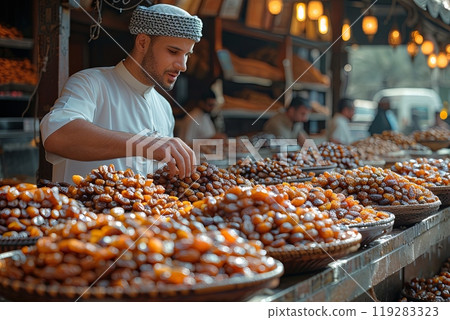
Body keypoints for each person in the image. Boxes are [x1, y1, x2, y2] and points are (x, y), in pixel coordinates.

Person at [40, 5, 203, 183]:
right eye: (173, 51)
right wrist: (146, 144)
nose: (183, 65)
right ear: (142, 42)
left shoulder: (164, 108)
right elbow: (57, 135)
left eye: (187, 55)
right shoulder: (90, 83)